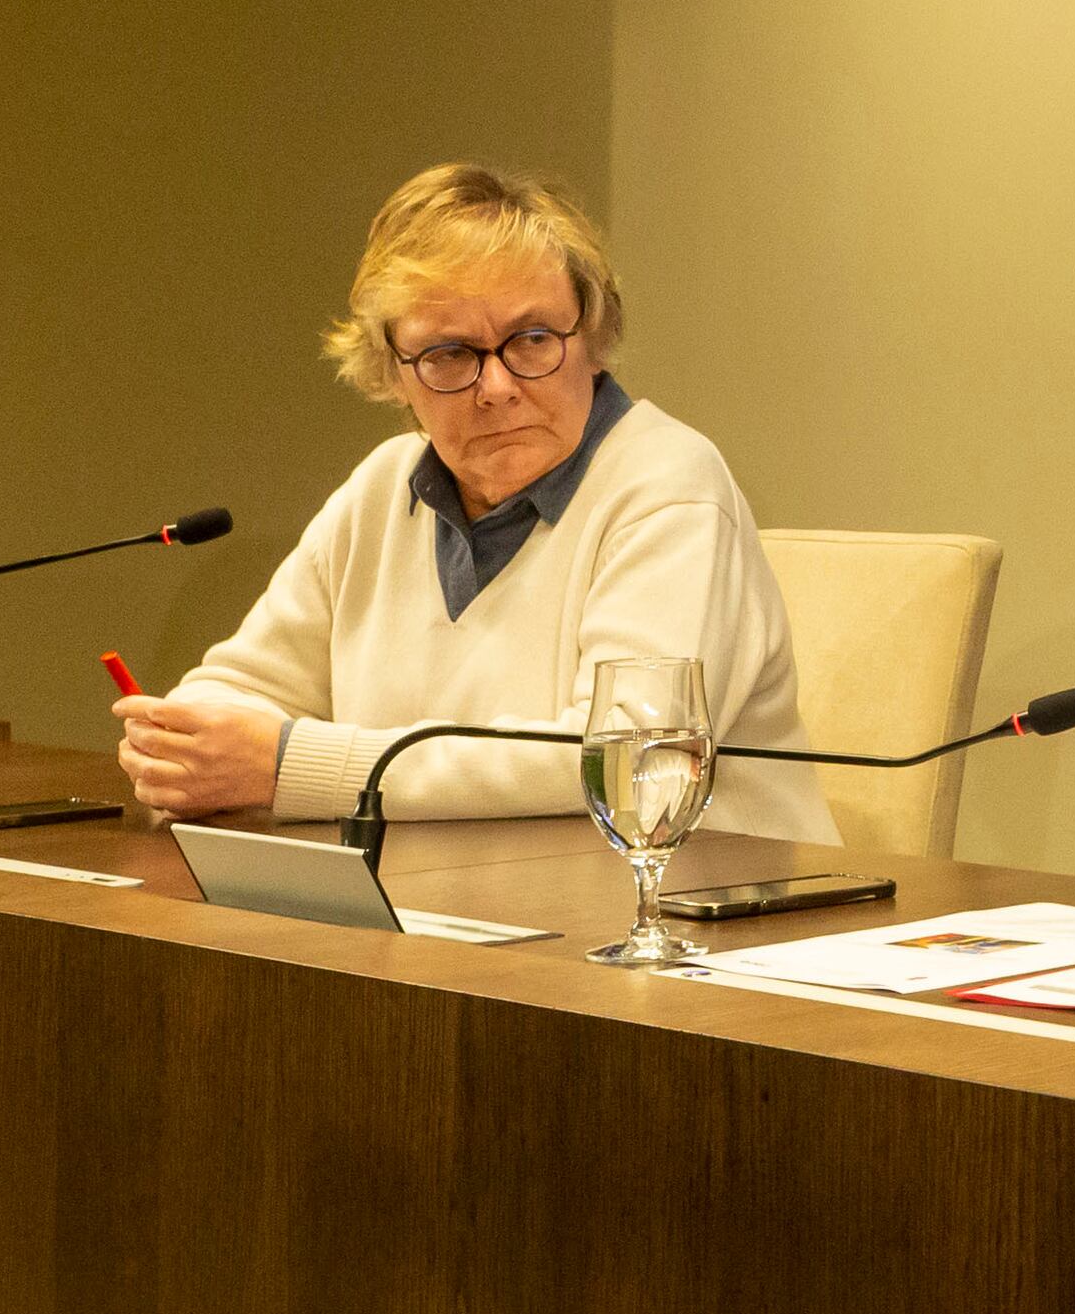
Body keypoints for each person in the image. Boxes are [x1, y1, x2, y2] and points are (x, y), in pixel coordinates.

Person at [117, 164, 823, 835]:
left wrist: (292, 766)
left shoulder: (670, 485)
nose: (496, 386)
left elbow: (627, 761)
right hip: (452, 911)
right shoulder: (381, 488)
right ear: (394, 374)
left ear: (595, 338)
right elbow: (237, 686)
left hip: (691, 929)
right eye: (452, 354)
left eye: (533, 339)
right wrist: (187, 747)